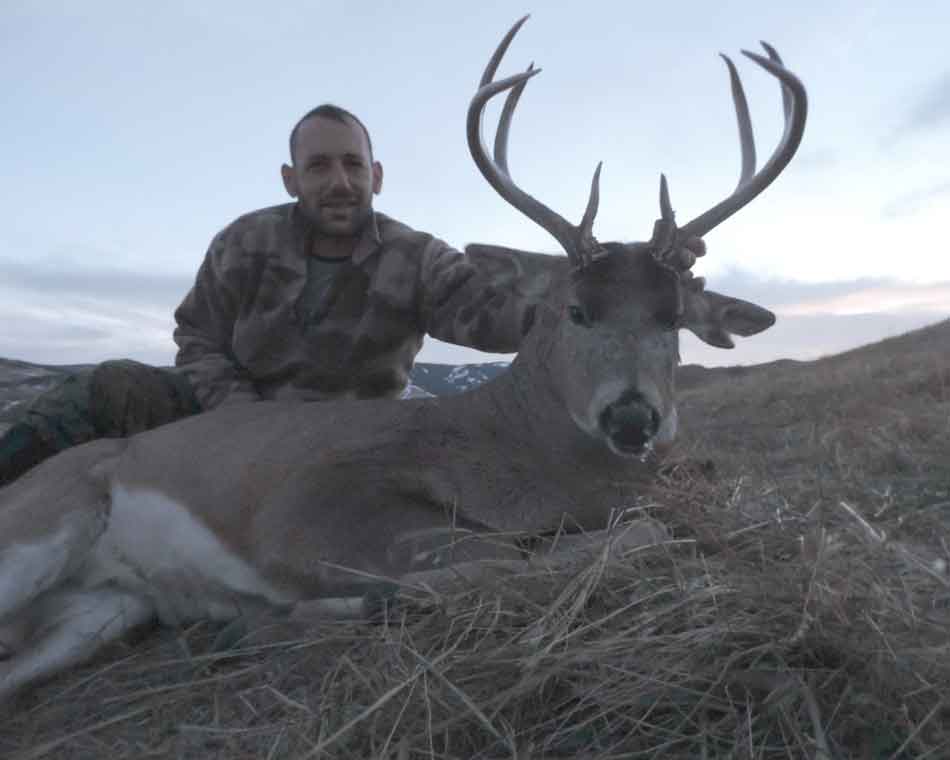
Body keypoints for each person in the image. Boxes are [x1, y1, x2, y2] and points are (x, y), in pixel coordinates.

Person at [0, 104, 538, 486]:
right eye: (318, 166)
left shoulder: (419, 258)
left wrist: (562, 302)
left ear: (376, 176)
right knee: (108, 387)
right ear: (290, 179)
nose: (339, 182)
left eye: (352, 164)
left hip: (342, 439)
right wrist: (242, 419)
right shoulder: (245, 241)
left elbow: (494, 319)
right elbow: (198, 338)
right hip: (231, 420)